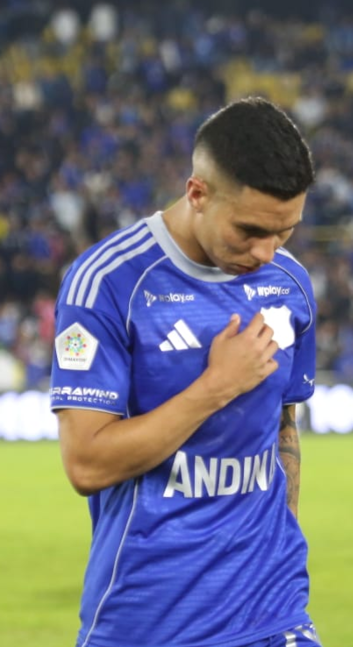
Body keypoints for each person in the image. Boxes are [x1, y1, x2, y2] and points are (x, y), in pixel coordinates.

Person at [51, 97, 322, 647]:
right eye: (249, 230)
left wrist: (283, 542)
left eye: (285, 232)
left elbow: (283, 425)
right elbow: (86, 463)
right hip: (150, 620)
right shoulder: (107, 283)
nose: (267, 253)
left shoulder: (289, 284)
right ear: (197, 193)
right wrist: (216, 387)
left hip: (274, 612)